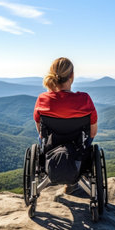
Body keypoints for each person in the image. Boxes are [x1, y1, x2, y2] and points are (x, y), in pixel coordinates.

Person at [33, 57, 98, 193]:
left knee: (40, 139)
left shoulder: (43, 99)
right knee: (89, 142)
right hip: (78, 149)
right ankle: (75, 177)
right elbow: (92, 133)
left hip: (50, 147)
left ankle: (50, 173)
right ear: (72, 76)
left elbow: (40, 131)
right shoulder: (84, 99)